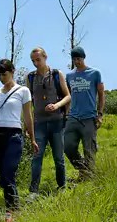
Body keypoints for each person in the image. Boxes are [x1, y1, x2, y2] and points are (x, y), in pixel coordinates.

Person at [0, 59, 38, 222]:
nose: (2, 78)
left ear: (13, 71)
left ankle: (12, 211)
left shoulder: (23, 91)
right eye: (0, 75)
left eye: (5, 74)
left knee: (9, 171)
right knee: (3, 175)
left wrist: (32, 138)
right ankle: (11, 207)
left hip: (14, 135)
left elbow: (28, 116)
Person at [25, 47, 71, 199]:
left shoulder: (57, 75)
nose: (35, 63)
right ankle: (33, 191)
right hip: (39, 124)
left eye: (38, 59)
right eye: (33, 60)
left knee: (59, 157)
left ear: (45, 57)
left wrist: (57, 105)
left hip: (57, 122)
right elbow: (28, 104)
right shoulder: (30, 78)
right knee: (37, 157)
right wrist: (28, 125)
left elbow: (67, 96)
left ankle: (62, 186)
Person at [63, 46, 104, 180]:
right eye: (75, 59)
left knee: (89, 149)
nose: (77, 61)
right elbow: (68, 95)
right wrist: (66, 114)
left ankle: (89, 178)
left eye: (79, 58)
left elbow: (101, 94)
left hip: (89, 118)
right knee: (68, 146)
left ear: (83, 58)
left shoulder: (95, 73)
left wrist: (100, 114)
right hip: (73, 117)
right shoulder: (69, 76)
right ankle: (83, 169)